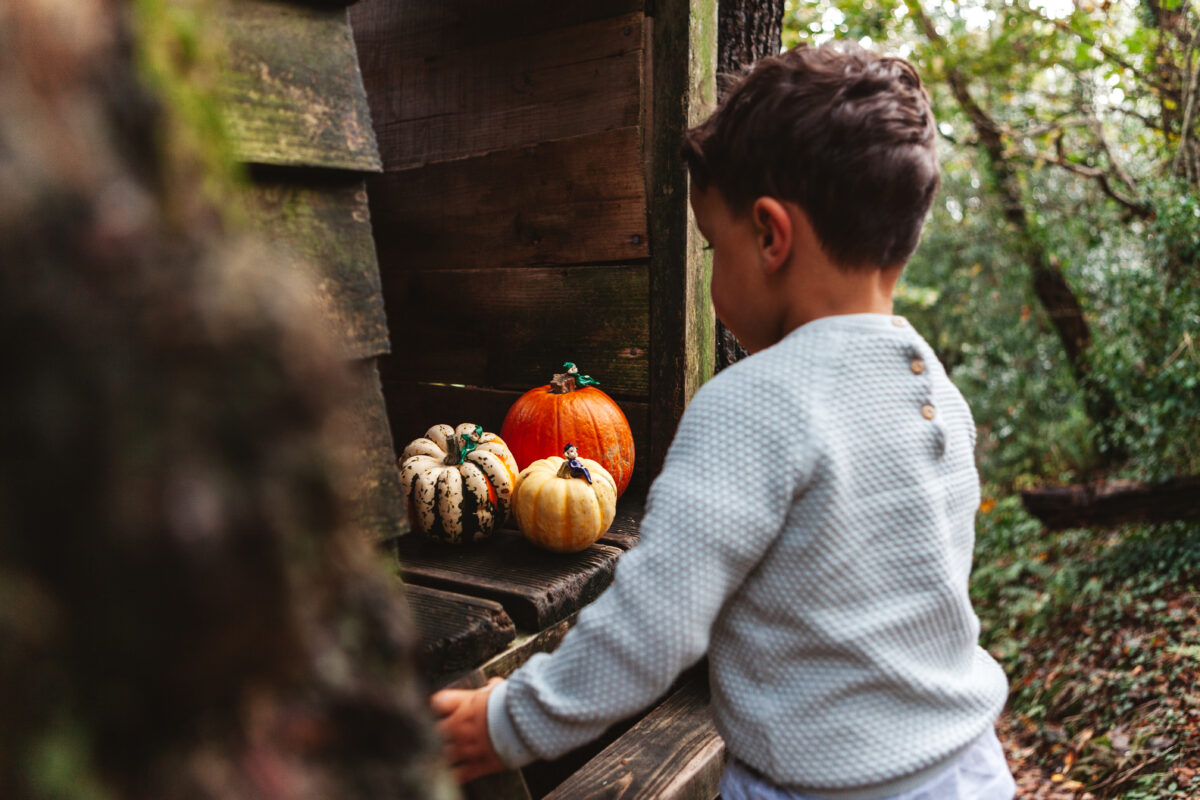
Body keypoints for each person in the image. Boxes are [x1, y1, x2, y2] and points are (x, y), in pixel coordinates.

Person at [431, 40, 1016, 800]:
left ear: (771, 235)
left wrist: (507, 720)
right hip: (969, 770)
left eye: (713, 246)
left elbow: (650, 627)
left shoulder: (753, 403)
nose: (712, 269)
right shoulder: (930, 382)